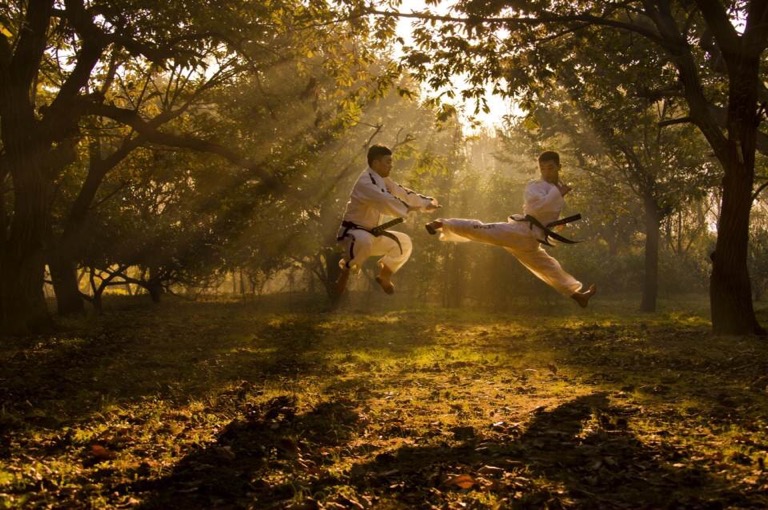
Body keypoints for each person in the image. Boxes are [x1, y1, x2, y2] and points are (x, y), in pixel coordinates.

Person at [425, 150, 596, 307]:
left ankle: (578, 296)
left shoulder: (557, 188)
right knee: (482, 229)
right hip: (520, 232)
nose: (546, 172)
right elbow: (536, 208)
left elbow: (547, 213)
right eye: (542, 168)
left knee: (549, 268)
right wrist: (559, 193)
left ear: (559, 167)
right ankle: (441, 223)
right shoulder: (535, 185)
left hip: (531, 242)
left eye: (550, 168)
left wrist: (557, 223)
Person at [335, 144, 440, 295]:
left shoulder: (383, 180)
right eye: (388, 162)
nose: (391, 165)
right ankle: (346, 269)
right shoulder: (365, 182)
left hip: (373, 234)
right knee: (364, 241)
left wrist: (426, 203)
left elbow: (402, 192)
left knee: (404, 242)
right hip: (352, 233)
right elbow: (384, 200)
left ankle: (385, 275)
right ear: (376, 163)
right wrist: (409, 208)